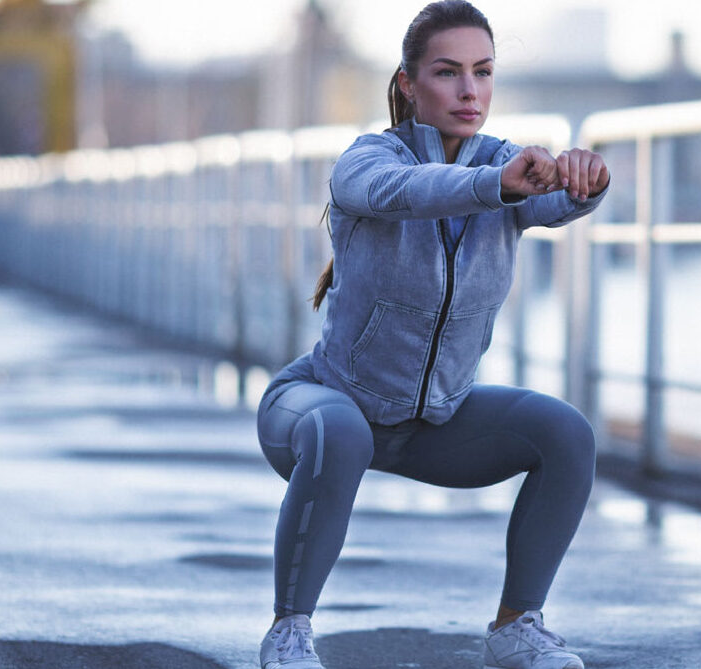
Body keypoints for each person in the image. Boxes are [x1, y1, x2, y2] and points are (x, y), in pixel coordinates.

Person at [255, 2, 610, 667]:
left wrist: (589, 181)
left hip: (434, 424)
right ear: (409, 83)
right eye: (448, 72)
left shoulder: (508, 166)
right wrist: (492, 185)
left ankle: (516, 627)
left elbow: (554, 200)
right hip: (323, 404)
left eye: (482, 71)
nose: (469, 90)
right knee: (341, 431)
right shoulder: (367, 160)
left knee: (567, 433)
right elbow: (405, 192)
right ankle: (290, 630)